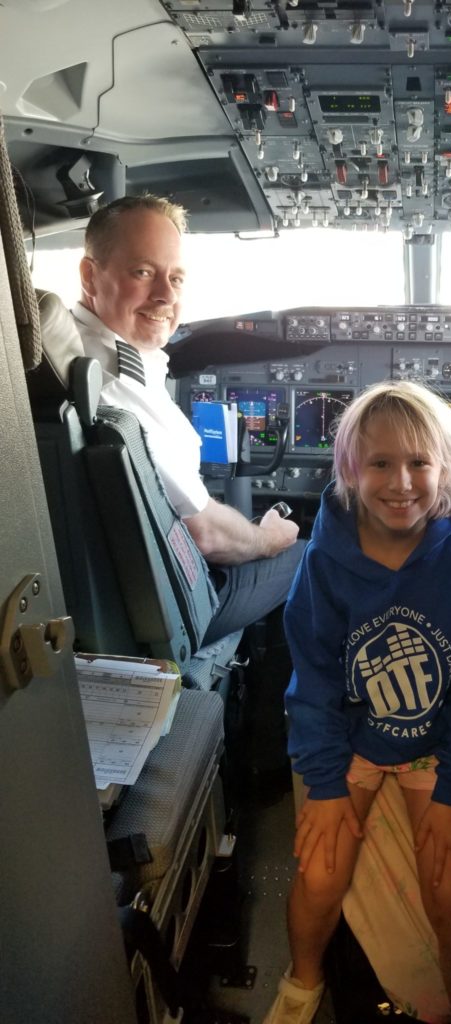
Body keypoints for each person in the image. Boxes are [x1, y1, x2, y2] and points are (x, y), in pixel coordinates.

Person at [262, 381, 451, 1024]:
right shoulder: (322, 564)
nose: (402, 482)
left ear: (445, 469)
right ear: (349, 468)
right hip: (354, 741)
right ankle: (304, 984)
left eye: (419, 463)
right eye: (380, 463)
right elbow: (312, 686)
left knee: (450, 886)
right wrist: (325, 785)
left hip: (433, 746)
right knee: (321, 872)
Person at [73, 194, 306, 795]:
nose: (165, 296)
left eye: (175, 277)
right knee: (303, 558)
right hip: (164, 608)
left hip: (107, 594)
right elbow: (206, 533)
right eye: (142, 272)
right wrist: (270, 535)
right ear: (89, 275)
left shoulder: (67, 360)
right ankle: (265, 760)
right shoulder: (112, 386)